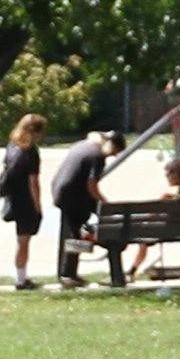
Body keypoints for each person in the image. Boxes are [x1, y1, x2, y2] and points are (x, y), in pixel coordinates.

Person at [48, 120, 121, 285]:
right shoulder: (97, 155)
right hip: (74, 195)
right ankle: (68, 274)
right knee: (74, 234)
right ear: (111, 145)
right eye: (115, 151)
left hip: (62, 191)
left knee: (71, 232)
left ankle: (67, 273)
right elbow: (91, 185)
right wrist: (104, 203)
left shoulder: (83, 145)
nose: (113, 155)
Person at [0, 115, 49, 288]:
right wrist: (38, 206)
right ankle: (21, 279)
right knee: (24, 241)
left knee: (21, 240)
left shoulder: (12, 146)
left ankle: (21, 277)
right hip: (25, 200)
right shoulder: (30, 151)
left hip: (12, 198)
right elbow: (33, 182)